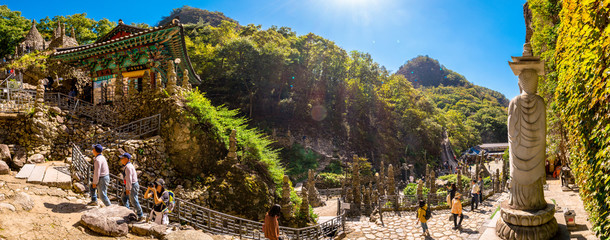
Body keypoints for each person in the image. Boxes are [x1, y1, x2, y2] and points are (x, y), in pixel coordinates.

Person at [119, 152, 143, 221]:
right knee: (124, 197)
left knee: (134, 201)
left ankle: (140, 214)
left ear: (127, 159)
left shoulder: (128, 167)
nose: (121, 160)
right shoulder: (128, 166)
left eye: (122, 158)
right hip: (130, 185)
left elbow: (129, 179)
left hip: (132, 185)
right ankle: (128, 211)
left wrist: (128, 188)